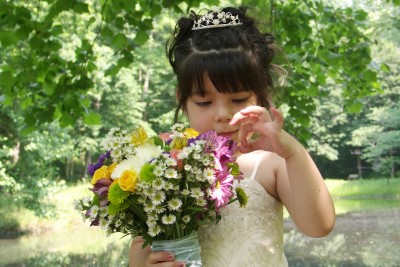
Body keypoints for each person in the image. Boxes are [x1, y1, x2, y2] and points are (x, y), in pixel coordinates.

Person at [129, 6, 335, 267]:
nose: (223, 114)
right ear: (183, 99)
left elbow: (319, 226)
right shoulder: (167, 167)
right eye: (204, 102)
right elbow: (140, 246)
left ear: (262, 98)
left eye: (238, 99)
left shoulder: (270, 162)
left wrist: (292, 152)